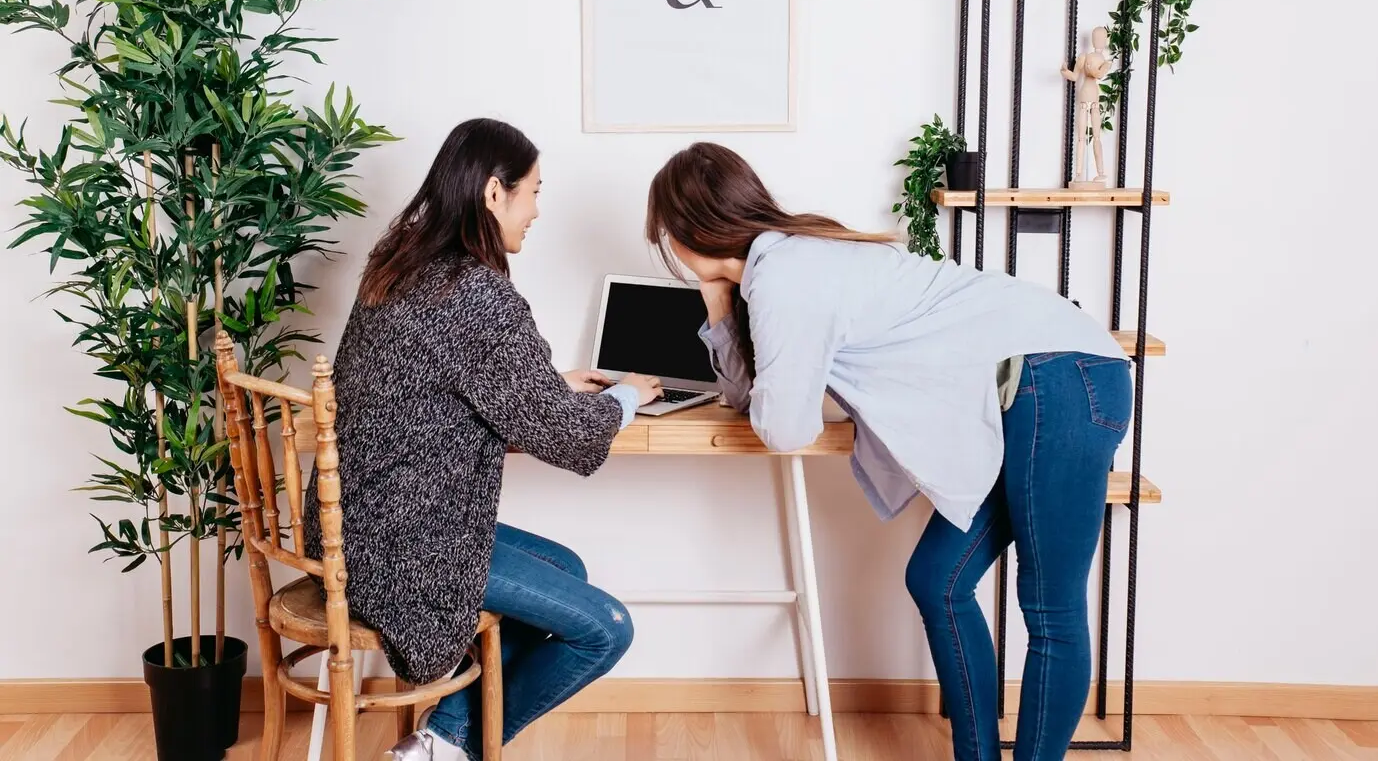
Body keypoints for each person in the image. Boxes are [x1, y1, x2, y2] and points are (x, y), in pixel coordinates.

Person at [644, 142, 1132, 761]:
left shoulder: (786, 276)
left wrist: (731, 317)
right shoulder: (782, 268)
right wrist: (717, 303)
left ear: (689, 230)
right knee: (937, 580)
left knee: (1049, 604)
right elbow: (753, 397)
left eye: (663, 234)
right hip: (1030, 389)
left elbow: (784, 428)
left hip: (1061, 375)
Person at [302, 118, 662, 761]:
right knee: (606, 629)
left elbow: (437, 377)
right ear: (495, 193)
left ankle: (441, 735)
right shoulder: (477, 294)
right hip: (406, 549)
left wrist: (545, 382)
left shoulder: (399, 264)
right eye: (533, 192)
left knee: (568, 570)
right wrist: (628, 394)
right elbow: (564, 437)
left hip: (351, 526)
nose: (537, 210)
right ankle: (444, 745)